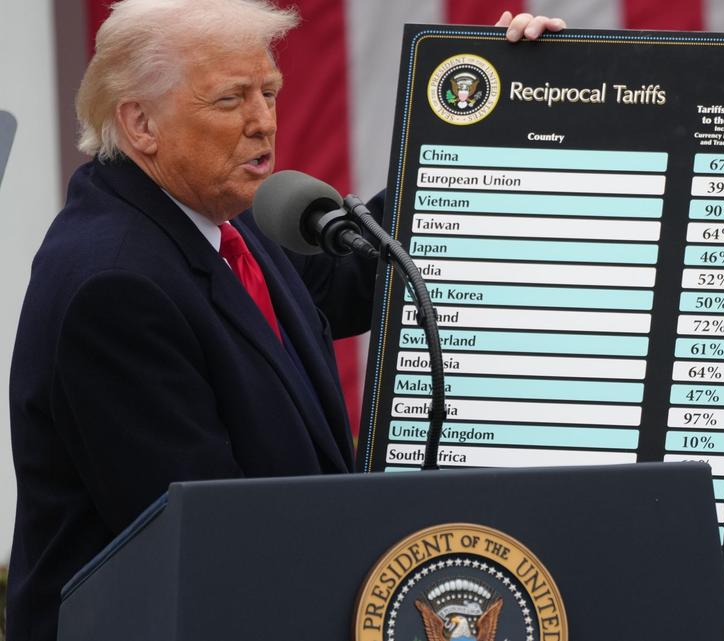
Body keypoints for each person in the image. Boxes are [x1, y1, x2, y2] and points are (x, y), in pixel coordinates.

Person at [5, 2, 564, 639]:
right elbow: (215, 540)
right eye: (229, 100)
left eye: (269, 91)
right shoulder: (115, 284)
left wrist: (502, 102)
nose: (262, 121)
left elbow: (363, 273)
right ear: (140, 123)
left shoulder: (219, 216)